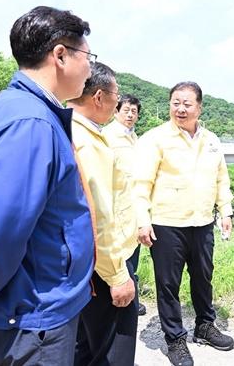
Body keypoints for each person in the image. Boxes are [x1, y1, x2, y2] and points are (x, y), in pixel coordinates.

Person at [0, 6, 95, 365]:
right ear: (60, 55)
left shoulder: (21, 110)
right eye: (87, 56)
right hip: (35, 315)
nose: (90, 67)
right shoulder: (30, 122)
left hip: (37, 302)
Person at [134, 81, 234, 366]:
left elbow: (221, 179)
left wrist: (225, 211)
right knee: (168, 284)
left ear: (199, 107)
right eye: (175, 102)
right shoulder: (154, 139)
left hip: (202, 222)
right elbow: (140, 183)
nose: (180, 108)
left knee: (203, 278)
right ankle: (175, 339)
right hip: (166, 224)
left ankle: (204, 326)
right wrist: (143, 220)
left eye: (187, 103)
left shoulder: (212, 140)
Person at [68, 63, 139, 366]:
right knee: (113, 349)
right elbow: (99, 216)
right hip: (102, 268)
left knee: (85, 345)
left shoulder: (66, 127)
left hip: (80, 267)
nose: (117, 103)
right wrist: (119, 275)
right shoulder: (89, 142)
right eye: (115, 96)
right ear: (98, 97)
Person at [102, 94, 147, 316]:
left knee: (133, 254)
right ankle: (122, 300)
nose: (130, 115)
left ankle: (132, 299)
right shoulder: (108, 135)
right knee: (120, 256)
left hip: (134, 207)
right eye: (126, 110)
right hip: (116, 206)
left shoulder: (135, 138)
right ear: (116, 111)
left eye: (134, 111)